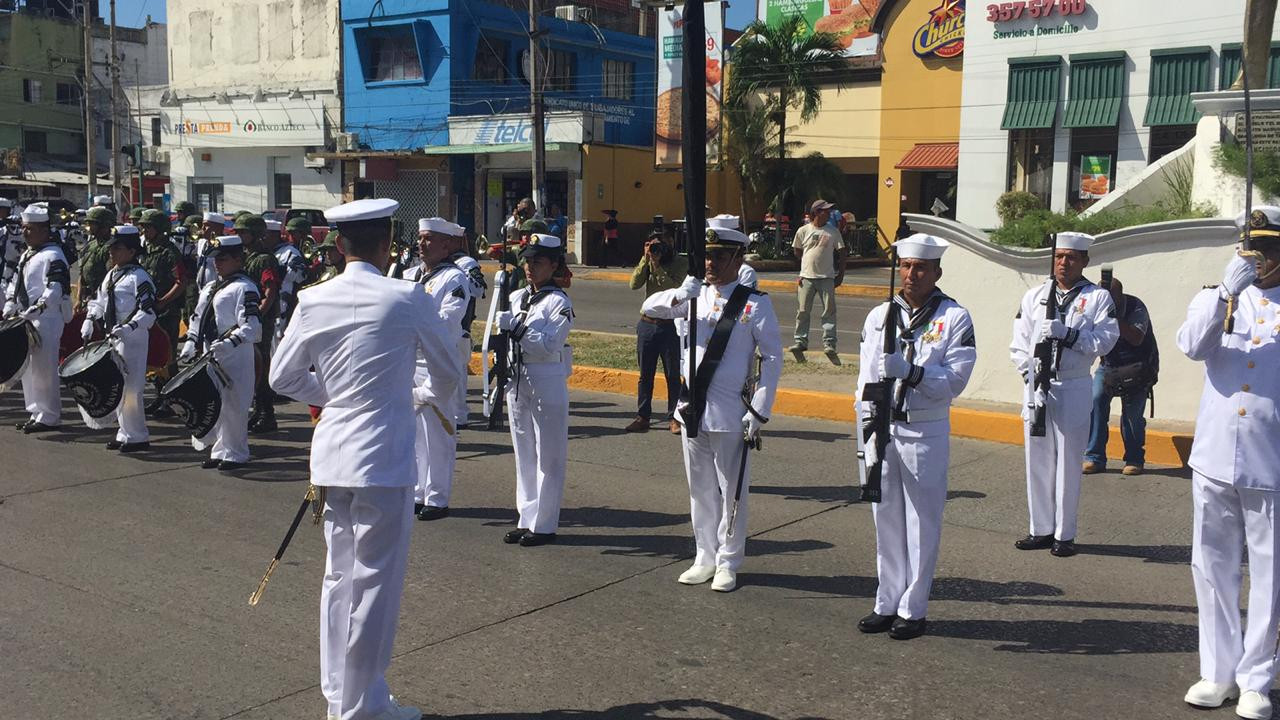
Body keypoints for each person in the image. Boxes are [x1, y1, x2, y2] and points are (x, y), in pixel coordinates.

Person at [270, 198, 461, 720]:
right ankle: (362, 705)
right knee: (375, 581)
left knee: (339, 577)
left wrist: (334, 395)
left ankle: (340, 696)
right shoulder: (406, 296)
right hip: (383, 457)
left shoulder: (313, 299)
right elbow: (448, 369)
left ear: (338, 245)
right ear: (386, 244)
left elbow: (281, 379)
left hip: (332, 455)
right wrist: (419, 393)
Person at [1176, 207, 1280, 720]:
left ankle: (1257, 677)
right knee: (1212, 566)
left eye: (1269, 252)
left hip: (1272, 461)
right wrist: (1224, 294)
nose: (1259, 262)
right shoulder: (1217, 295)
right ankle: (1218, 671)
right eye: (1252, 250)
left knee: (1270, 573)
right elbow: (1192, 347)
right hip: (1215, 456)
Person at [641, 221, 782, 592]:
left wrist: (759, 410)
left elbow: (771, 359)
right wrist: (677, 296)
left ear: (737, 257)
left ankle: (728, 561)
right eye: (706, 255)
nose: (710, 263)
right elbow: (648, 306)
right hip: (691, 408)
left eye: (719, 256)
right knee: (699, 489)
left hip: (730, 411)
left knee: (732, 489)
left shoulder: (754, 304)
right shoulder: (693, 295)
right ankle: (704, 555)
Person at [855, 234, 975, 640]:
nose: (911, 274)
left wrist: (911, 372)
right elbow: (865, 378)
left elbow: (955, 380)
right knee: (884, 517)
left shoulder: (954, 318)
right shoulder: (880, 315)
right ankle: (886, 600)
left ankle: (913, 607)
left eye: (920, 267)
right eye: (905, 266)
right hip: (883, 425)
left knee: (921, 522)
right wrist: (865, 432)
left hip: (924, 428)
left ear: (937, 271)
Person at [1009, 232, 1118, 557]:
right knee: (1037, 460)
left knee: (1069, 462)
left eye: (1071, 257)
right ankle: (1040, 528)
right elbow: (1018, 343)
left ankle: (1064, 533)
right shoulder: (1035, 296)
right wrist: (1031, 377)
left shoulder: (1097, 298)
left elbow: (1106, 340)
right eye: (1059, 256)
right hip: (1038, 386)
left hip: (1073, 384)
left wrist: (1068, 334)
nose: (1063, 263)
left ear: (1084, 261)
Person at [495, 233, 574, 547]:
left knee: (549, 455)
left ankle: (544, 524)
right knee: (524, 452)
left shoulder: (560, 302)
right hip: (518, 377)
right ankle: (526, 517)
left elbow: (548, 344)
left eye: (538, 261)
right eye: (527, 260)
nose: (530, 267)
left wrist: (515, 328)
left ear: (553, 265)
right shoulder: (516, 297)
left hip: (546, 376)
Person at [404, 217, 471, 521]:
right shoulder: (411, 276)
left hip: (437, 363)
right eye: (420, 238)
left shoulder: (453, 280)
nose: (421, 244)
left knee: (439, 432)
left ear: (446, 245)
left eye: (429, 239)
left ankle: (438, 496)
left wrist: (412, 325)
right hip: (410, 361)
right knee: (415, 433)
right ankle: (419, 491)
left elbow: (447, 321)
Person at [179, 235, 261, 470]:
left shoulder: (245, 287)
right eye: (215, 259)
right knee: (217, 402)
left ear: (238, 259)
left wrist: (231, 342)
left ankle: (237, 452)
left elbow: (253, 326)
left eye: (223, 259)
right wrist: (191, 341)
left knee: (236, 404)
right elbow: (197, 316)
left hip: (235, 353)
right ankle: (220, 449)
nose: (217, 263)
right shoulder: (210, 287)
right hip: (211, 352)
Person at [81, 225, 156, 452]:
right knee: (119, 386)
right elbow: (100, 301)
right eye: (111, 248)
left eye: (117, 248)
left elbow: (149, 312)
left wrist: (129, 326)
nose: (111, 252)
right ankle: (125, 432)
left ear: (132, 251)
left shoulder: (139, 277)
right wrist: (90, 318)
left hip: (133, 338)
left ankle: (138, 435)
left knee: (132, 387)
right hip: (114, 335)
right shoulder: (112, 274)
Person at [4, 205, 71, 432]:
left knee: (44, 367)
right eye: (23, 228)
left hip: (47, 318)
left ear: (44, 230)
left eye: (30, 229)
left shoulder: (53, 255)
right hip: (26, 316)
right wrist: (10, 304)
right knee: (28, 366)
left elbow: (55, 287)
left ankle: (49, 415)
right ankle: (36, 411)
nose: (24, 232)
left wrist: (40, 306)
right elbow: (16, 283)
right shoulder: (28, 254)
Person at [1083, 276, 1157, 476]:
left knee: (1132, 414)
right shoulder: (1096, 307)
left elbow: (1136, 337)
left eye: (1109, 298)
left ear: (1119, 295)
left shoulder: (1136, 306)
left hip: (1138, 367)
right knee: (1095, 402)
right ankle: (1094, 457)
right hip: (1109, 365)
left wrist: (1113, 316)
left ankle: (1134, 459)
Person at [627, 228, 688, 434]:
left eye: (660, 243)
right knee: (645, 374)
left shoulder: (680, 263)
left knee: (672, 375)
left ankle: (674, 417)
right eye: (652, 244)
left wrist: (658, 266)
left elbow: (676, 289)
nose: (656, 248)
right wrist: (646, 260)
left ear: (670, 242)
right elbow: (634, 284)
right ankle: (643, 416)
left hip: (669, 325)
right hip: (647, 324)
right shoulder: (648, 260)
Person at [233, 214, 282, 434]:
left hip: (261, 319)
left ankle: (267, 414)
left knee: (259, 365)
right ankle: (259, 411)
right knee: (251, 367)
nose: (241, 236)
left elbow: (270, 291)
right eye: (239, 232)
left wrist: (258, 316)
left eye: (244, 232)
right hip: (249, 317)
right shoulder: (247, 256)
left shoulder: (263, 259)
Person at [137, 209, 188, 416]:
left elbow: (181, 282)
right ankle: (161, 396)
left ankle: (174, 400)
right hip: (150, 312)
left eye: (148, 226)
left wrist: (163, 302)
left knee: (168, 357)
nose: (144, 230)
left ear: (159, 229)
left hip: (167, 312)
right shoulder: (145, 250)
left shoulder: (169, 252)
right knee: (155, 356)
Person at [789, 199, 845, 363]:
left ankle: (829, 343)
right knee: (803, 311)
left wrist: (840, 274)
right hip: (806, 277)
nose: (828, 214)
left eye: (829, 211)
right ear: (815, 213)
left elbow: (842, 252)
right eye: (825, 211)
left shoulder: (832, 231)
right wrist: (806, 265)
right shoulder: (803, 230)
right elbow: (797, 250)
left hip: (826, 277)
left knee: (829, 311)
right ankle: (800, 341)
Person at [273, 218, 309, 346]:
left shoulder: (283, 250)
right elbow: (298, 278)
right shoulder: (292, 252)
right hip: (286, 300)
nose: (305, 237)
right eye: (303, 234)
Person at [77, 206, 115, 311]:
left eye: (93, 224)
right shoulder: (89, 245)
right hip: (87, 299)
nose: (90, 227)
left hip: (103, 301)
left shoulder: (111, 247)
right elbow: (82, 275)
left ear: (103, 225)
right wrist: (78, 299)